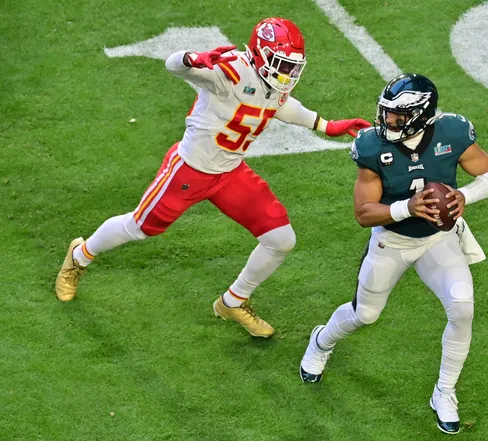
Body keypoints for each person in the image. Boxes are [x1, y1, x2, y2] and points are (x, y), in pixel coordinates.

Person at [55, 17, 371, 339]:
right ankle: (79, 256)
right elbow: (174, 66)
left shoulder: (272, 83)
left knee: (281, 239)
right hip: (189, 170)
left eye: (292, 66)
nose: (288, 73)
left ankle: (233, 302)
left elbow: (281, 104)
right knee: (140, 227)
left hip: (230, 173)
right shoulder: (231, 71)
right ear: (260, 54)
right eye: (282, 64)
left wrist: (327, 126)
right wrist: (190, 59)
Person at [299, 73, 488, 435]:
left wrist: (465, 195)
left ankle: (444, 392)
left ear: (422, 115)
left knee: (462, 309)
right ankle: (321, 341)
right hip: (391, 242)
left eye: (398, 115)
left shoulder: (452, 132)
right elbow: (364, 213)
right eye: (386, 111)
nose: (388, 120)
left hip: (438, 239)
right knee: (365, 315)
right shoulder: (371, 146)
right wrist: (407, 207)